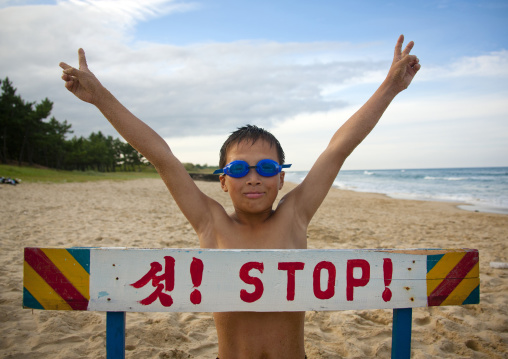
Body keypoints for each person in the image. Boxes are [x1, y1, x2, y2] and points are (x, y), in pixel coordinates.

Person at [60, 34, 420, 359]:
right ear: (222, 182)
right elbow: (162, 157)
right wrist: (100, 98)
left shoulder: (294, 216)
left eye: (265, 169)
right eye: (237, 170)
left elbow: (338, 149)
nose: (252, 179)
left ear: (281, 179)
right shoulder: (210, 221)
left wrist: (390, 87)